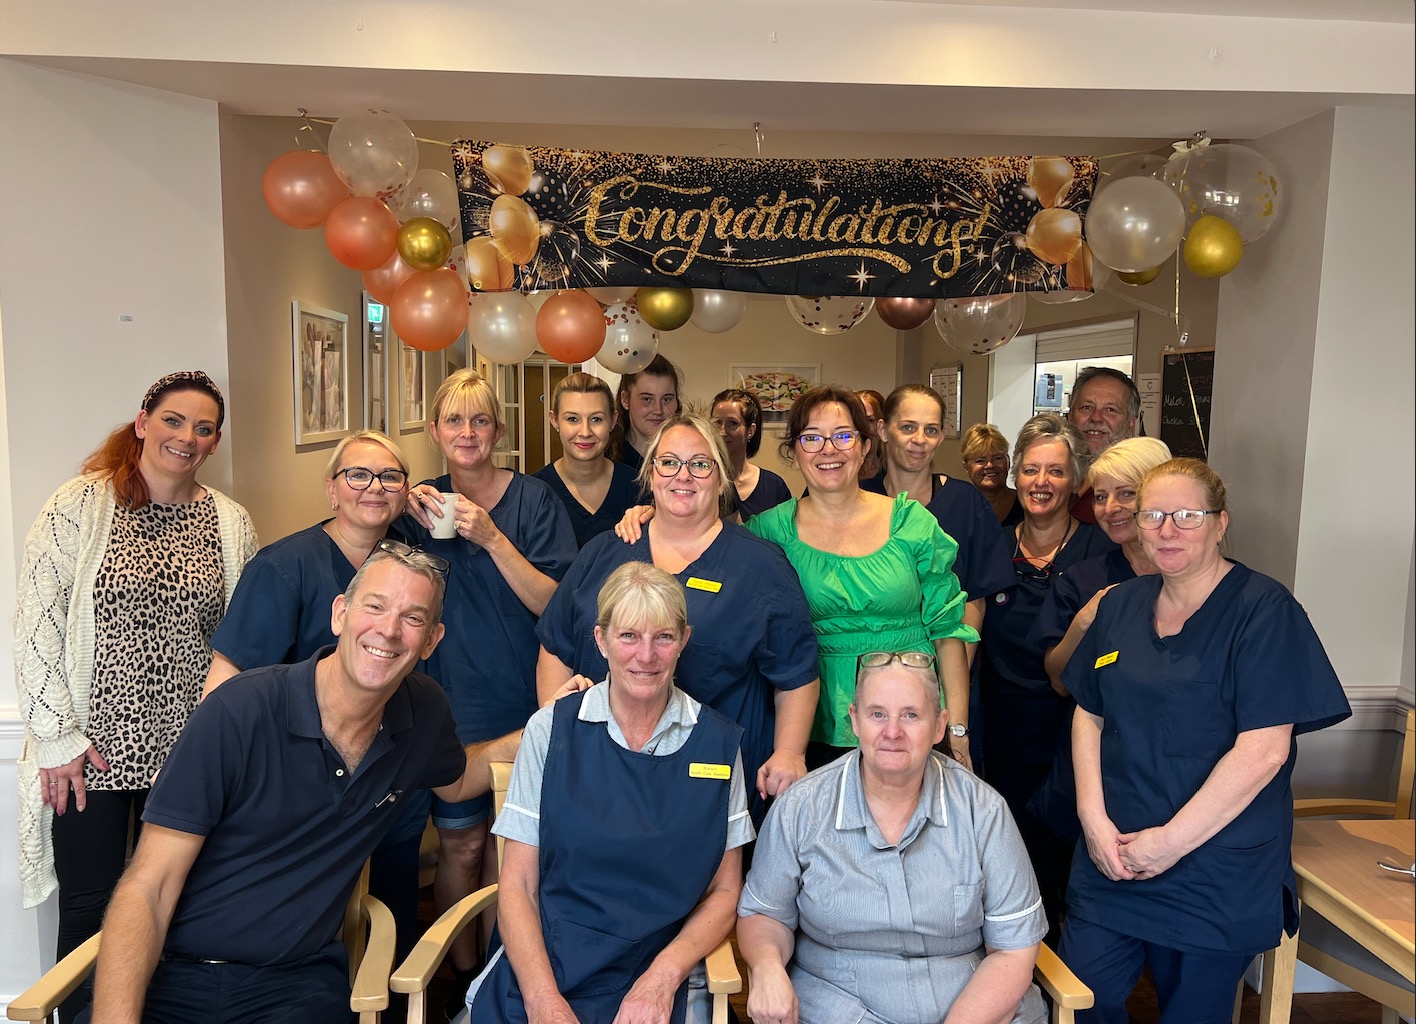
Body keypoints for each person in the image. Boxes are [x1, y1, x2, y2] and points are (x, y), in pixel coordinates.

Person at [86, 547, 527, 1024]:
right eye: (375, 606)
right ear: (340, 614)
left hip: (297, 983)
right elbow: (147, 887)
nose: (389, 629)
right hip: (175, 976)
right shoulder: (239, 711)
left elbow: (456, 782)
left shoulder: (423, 711)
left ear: (431, 641)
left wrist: (533, 734)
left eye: (413, 617)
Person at [1058, 458, 1351, 1024]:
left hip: (1213, 867)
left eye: (1187, 515)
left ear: (1220, 523)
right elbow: (1088, 712)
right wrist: (1092, 820)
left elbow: (1264, 751)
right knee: (1082, 997)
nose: (1167, 530)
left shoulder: (1264, 611)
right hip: (1113, 854)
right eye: (1153, 515)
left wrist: (1168, 844)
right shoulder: (1120, 605)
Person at [14, 370, 257, 1024]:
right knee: (89, 909)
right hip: (88, 755)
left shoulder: (230, 523)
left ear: (215, 442)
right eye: (173, 420)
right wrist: (58, 740)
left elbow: (242, 638)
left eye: (202, 428)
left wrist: (228, 741)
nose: (186, 437)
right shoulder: (80, 505)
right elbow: (37, 622)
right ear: (144, 422)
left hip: (189, 755)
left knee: (176, 906)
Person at [471, 561, 752, 1024]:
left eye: (664, 637)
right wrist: (543, 1001)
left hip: (659, 964)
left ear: (684, 641)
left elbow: (725, 890)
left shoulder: (718, 744)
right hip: (549, 961)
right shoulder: (550, 729)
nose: (646, 655)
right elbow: (518, 886)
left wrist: (661, 979)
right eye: (628, 636)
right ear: (601, 641)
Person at [202, 429, 431, 970]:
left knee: (392, 911)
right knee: (311, 921)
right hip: (301, 780)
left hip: (389, 772)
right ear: (331, 489)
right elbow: (226, 684)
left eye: (390, 477)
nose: (374, 487)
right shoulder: (284, 567)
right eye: (357, 475)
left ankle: (388, 1003)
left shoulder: (413, 560)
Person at [540, 413, 819, 826]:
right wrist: (557, 725)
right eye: (669, 462)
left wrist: (790, 752)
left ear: (721, 478)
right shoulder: (605, 551)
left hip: (711, 783)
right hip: (599, 772)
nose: (682, 475)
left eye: (700, 464)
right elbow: (556, 642)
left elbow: (796, 673)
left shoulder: (760, 566)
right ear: (651, 474)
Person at [737, 651, 1047, 1024]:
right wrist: (767, 966)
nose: (893, 732)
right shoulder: (801, 807)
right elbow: (764, 914)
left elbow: (1013, 948)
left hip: (971, 1008)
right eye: (877, 714)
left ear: (939, 726)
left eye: (911, 715)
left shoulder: (983, 810)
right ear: (855, 720)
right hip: (839, 1006)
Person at [405, 368, 578, 1008]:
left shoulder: (533, 502)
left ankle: (505, 977)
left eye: (480, 420)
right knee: (460, 842)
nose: (468, 432)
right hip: (448, 697)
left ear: (498, 431)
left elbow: (555, 603)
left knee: (514, 850)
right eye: (454, 420)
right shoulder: (419, 507)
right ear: (435, 431)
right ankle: (461, 982)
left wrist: (491, 537)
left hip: (522, 692)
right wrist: (394, 505)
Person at [745, 386, 977, 770]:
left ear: (865, 446)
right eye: (812, 438)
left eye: (843, 436)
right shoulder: (768, 532)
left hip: (910, 718)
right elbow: (710, 546)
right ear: (794, 451)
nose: (828, 449)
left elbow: (948, 630)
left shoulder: (911, 522)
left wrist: (957, 729)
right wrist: (651, 515)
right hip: (811, 727)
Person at [978, 411, 1114, 938]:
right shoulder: (992, 546)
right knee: (1013, 870)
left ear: (1077, 481)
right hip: (1003, 733)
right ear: (1016, 475)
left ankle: (1068, 977)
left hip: (1075, 736)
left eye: (1056, 471)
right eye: (1031, 469)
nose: (1041, 482)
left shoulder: (1101, 553)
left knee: (1070, 875)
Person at [532, 372, 640, 548]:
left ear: (613, 420)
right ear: (554, 421)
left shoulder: (638, 487)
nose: (585, 432)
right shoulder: (535, 492)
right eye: (572, 419)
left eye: (596, 419)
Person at [1066, 367, 1141, 524]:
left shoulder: (1140, 487)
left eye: (1110, 409)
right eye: (1087, 407)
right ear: (1070, 417)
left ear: (1130, 425)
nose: (1096, 418)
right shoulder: (1050, 476)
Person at [711, 387, 792, 521]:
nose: (722, 431)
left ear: (750, 431)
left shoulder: (774, 487)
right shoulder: (702, 481)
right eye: (717, 423)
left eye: (732, 423)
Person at [610, 354, 682, 475]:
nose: (658, 410)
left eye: (666, 399)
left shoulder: (689, 456)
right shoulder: (607, 462)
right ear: (625, 399)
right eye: (647, 399)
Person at [962, 422, 1023, 527]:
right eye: (980, 460)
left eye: (997, 458)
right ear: (966, 467)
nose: (990, 465)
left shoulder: (1026, 503)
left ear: (1008, 461)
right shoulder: (958, 508)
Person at [856, 387, 885, 481]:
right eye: (858, 420)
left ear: (882, 427)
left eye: (870, 421)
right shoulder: (840, 469)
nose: (863, 427)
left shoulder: (891, 472)